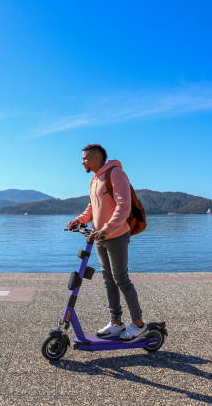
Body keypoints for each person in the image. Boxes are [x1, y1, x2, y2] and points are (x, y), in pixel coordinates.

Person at [67, 144, 148, 342]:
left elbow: (124, 206)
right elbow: (93, 206)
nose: (82, 162)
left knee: (121, 278)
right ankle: (116, 323)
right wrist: (80, 220)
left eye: (85, 158)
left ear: (96, 157)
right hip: (99, 236)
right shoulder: (94, 179)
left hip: (116, 236)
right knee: (108, 280)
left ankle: (139, 325)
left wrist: (107, 229)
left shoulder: (116, 173)